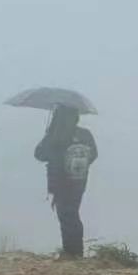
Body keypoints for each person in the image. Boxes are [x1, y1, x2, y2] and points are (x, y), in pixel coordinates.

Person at [35, 106, 98, 258]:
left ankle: (72, 251)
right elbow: (94, 154)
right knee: (73, 213)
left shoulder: (56, 135)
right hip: (79, 181)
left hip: (60, 181)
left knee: (65, 215)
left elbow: (40, 154)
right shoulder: (85, 134)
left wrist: (48, 136)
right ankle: (76, 250)